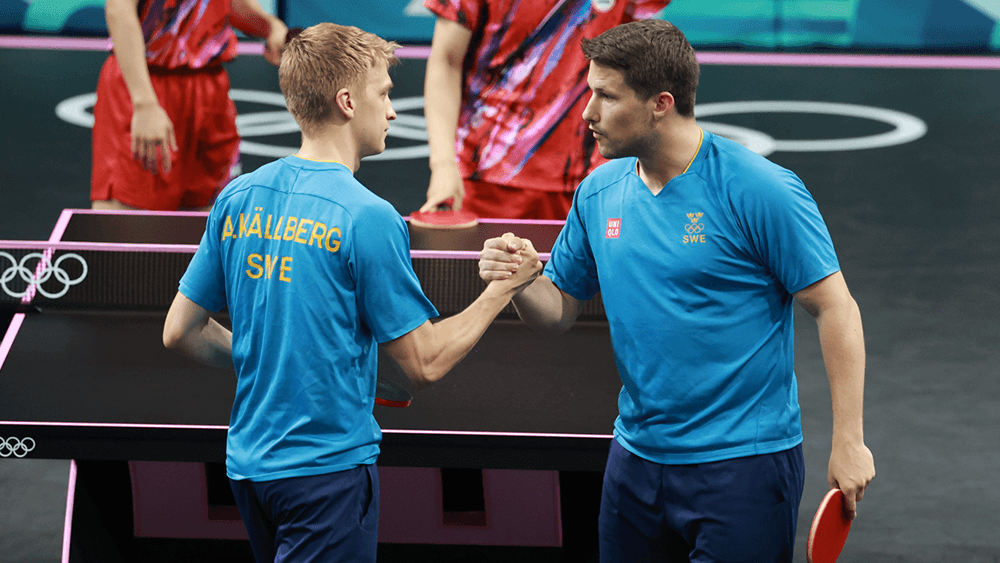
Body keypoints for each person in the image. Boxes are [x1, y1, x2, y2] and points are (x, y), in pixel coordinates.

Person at [478, 19, 875, 562]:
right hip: (635, 460)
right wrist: (522, 281)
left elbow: (836, 308)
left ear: (660, 103)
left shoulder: (759, 189)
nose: (587, 114)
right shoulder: (599, 191)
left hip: (742, 465)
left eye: (605, 97)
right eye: (587, 93)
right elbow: (559, 311)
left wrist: (849, 439)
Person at [162, 23, 541, 563]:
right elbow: (424, 364)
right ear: (347, 101)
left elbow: (179, 331)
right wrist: (501, 290)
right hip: (326, 475)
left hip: (248, 468)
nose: (391, 111)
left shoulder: (238, 197)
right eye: (384, 94)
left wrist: (264, 358)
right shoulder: (368, 217)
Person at [420, 0, 671, 220]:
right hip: (485, 176)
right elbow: (447, 61)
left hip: (593, 178)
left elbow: (638, 69)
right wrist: (443, 165)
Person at [92, 0, 289, 211]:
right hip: (145, 84)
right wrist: (145, 104)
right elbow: (119, 10)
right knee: (127, 216)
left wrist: (270, 26)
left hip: (209, 88)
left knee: (214, 214)